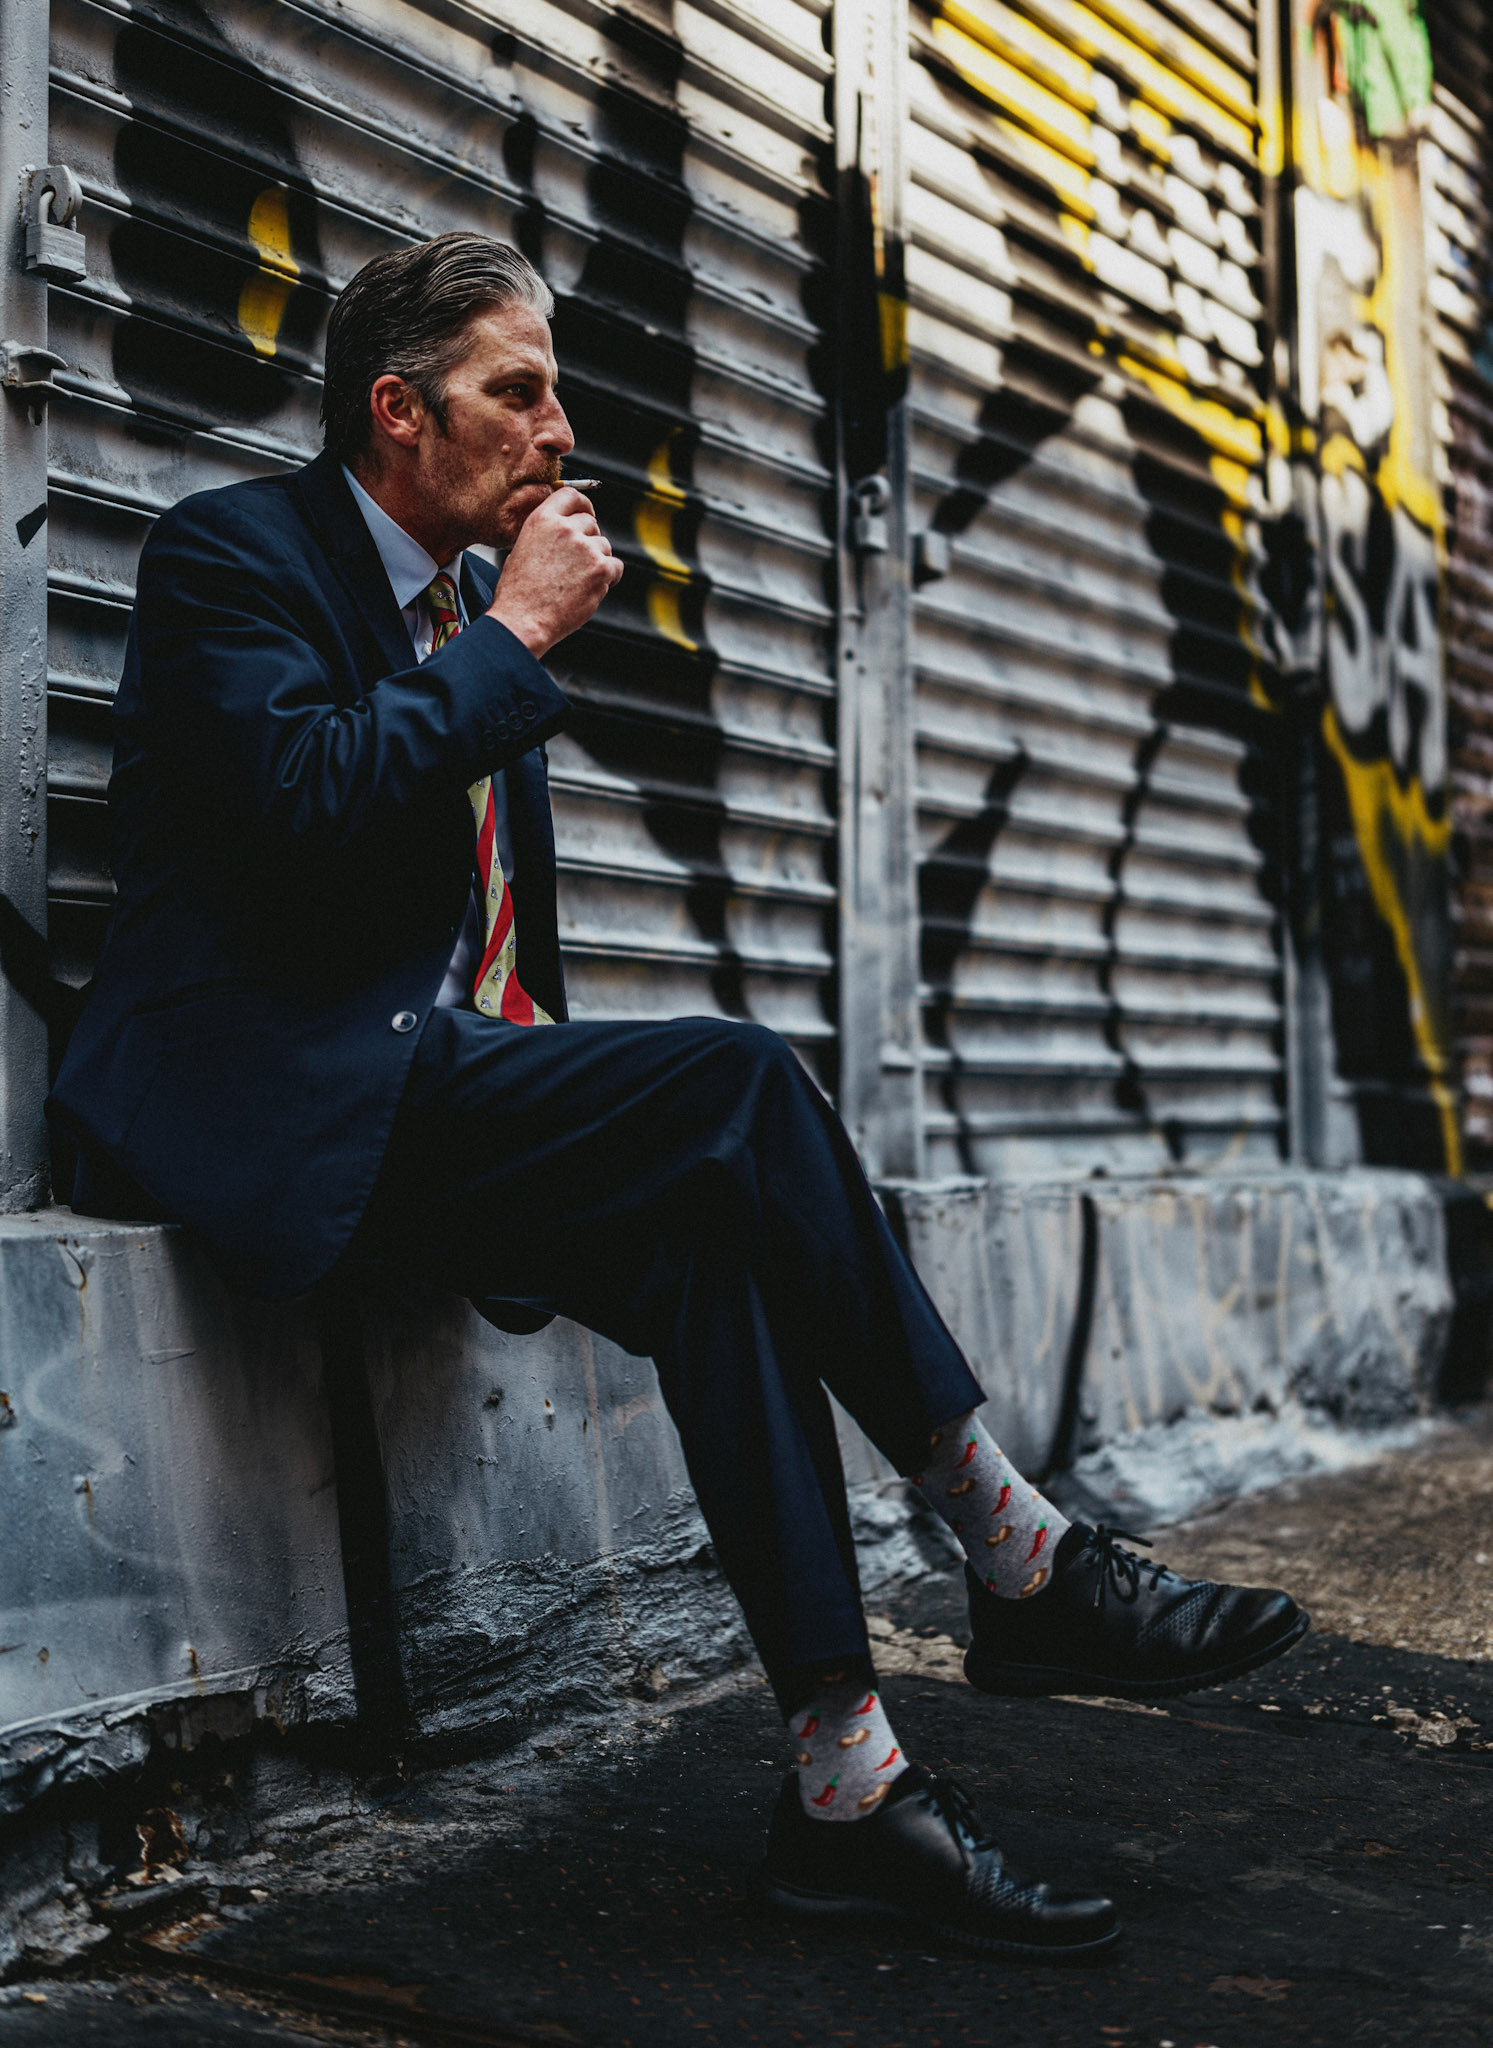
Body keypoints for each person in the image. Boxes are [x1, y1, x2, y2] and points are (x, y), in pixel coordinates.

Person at [51, 233, 1307, 1961]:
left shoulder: (466, 617)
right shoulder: (237, 554)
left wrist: (497, 656)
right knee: (736, 1074)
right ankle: (1014, 1550)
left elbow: (486, 936)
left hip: (426, 1098)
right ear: (398, 411)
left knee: (712, 1232)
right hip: (262, 1101)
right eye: (516, 392)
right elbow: (302, 803)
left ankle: (847, 1784)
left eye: (556, 392)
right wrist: (514, 635)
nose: (559, 430)